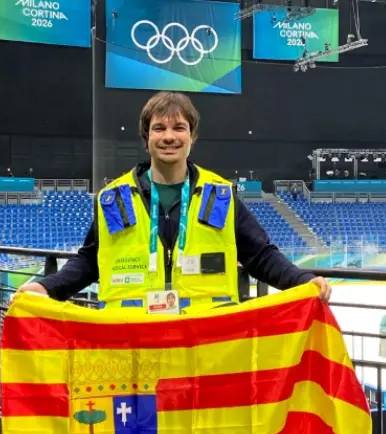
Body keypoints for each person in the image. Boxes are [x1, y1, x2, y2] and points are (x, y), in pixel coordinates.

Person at [19, 91, 331, 311]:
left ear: (192, 137)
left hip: (205, 345)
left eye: (179, 127)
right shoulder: (114, 198)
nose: (169, 136)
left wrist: (302, 279)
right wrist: (47, 287)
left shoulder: (220, 195)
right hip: (135, 345)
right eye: (159, 128)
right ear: (147, 139)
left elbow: (260, 256)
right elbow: (89, 261)